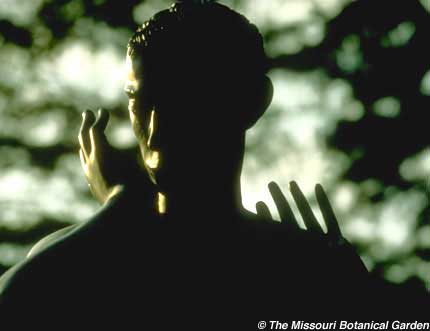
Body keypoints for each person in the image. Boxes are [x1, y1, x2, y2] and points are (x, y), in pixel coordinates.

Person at [0, 0, 372, 327]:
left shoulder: (302, 272)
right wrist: (119, 208)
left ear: (253, 102)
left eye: (184, 99)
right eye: (139, 101)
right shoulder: (87, 263)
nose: (156, 131)